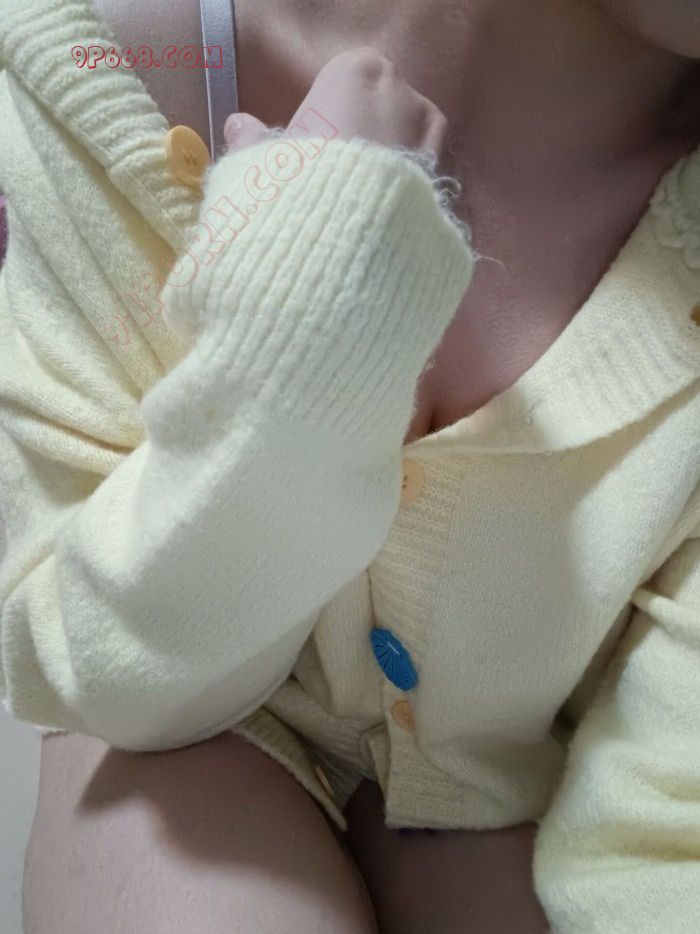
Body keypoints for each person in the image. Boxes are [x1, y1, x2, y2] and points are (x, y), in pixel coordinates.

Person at [0, 0, 698, 931]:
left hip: (528, 790)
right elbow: (90, 665)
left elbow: (669, 833)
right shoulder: (116, 59)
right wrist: (304, 337)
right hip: (191, 736)